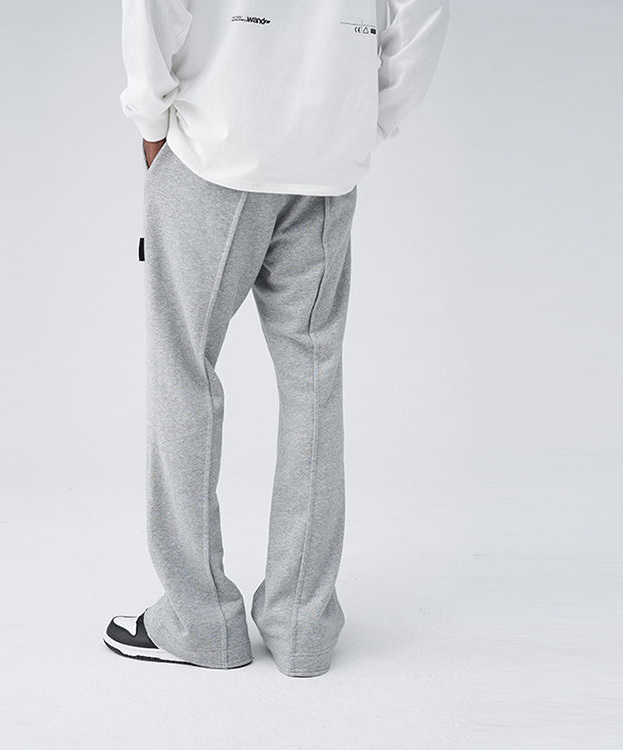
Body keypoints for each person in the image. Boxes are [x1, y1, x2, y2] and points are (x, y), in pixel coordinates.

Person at [104, 0, 450, 678]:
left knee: (182, 369)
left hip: (215, 146)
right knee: (314, 381)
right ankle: (302, 626)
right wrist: (366, 120)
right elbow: (425, 10)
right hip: (325, 162)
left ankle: (202, 623)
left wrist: (150, 119)